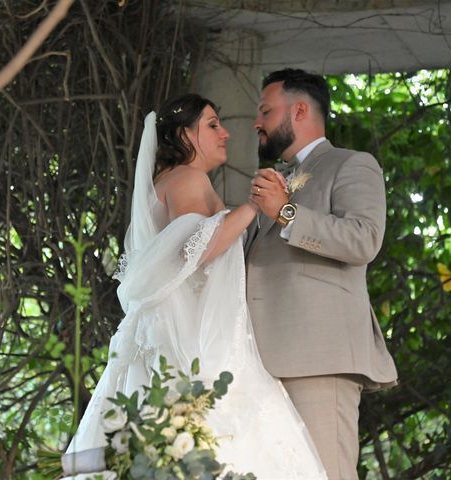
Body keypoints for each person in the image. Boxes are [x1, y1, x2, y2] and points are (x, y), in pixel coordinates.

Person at [62, 94, 327, 479]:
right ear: (185, 134)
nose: (225, 134)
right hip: (186, 337)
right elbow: (194, 248)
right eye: (212, 125)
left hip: (178, 327)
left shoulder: (172, 180)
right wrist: (256, 206)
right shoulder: (187, 177)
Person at [246, 68, 398, 479]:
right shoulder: (276, 179)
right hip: (260, 362)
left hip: (319, 359)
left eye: (265, 110)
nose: (256, 122)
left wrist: (285, 212)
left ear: (298, 109)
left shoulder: (352, 164)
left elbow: (363, 240)